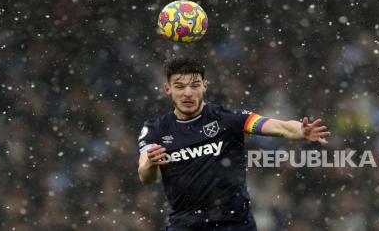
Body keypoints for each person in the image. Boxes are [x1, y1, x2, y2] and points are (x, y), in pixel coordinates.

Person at [137, 56, 331, 231]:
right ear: (167, 89)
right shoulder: (156, 129)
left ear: (205, 86)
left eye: (194, 85)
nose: (188, 93)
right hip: (184, 225)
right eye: (179, 86)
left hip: (234, 224)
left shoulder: (228, 119)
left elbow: (278, 126)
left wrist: (301, 131)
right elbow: (146, 177)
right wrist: (151, 163)